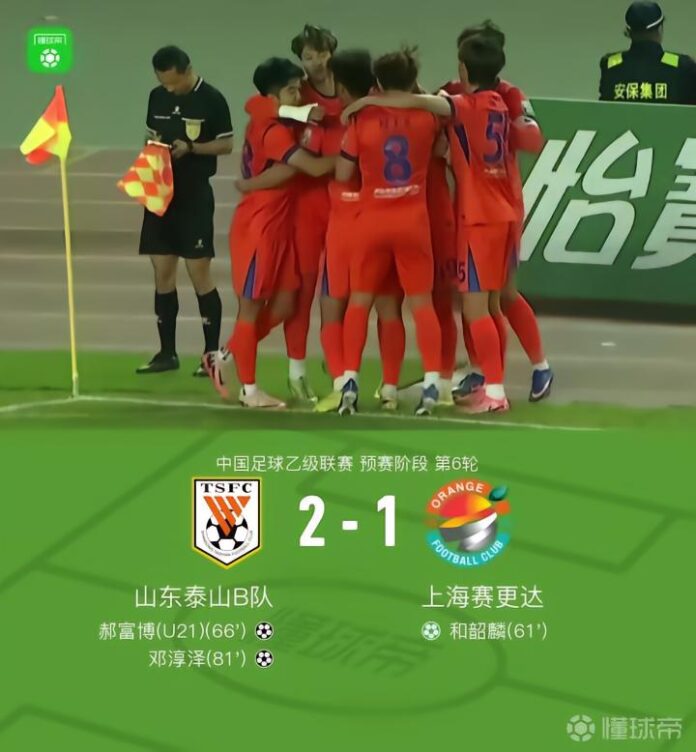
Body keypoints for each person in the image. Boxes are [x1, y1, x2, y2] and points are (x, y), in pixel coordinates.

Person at [345, 35, 541, 413]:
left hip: (477, 216)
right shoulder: (500, 103)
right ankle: (494, 381)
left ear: (464, 69)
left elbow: (416, 102)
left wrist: (368, 102)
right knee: (491, 304)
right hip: (504, 211)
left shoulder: (463, 105)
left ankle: (495, 392)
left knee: (476, 308)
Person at [205, 58, 335, 408]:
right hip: (258, 227)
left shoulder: (272, 115)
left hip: (280, 226)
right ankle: (249, 391)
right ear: (274, 96)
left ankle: (223, 356)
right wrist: (352, 153)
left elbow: (257, 105)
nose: (299, 96)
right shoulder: (274, 131)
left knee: (285, 303)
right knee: (250, 309)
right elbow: (311, 168)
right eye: (292, 91)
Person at [441, 21, 553, 403]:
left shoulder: (508, 95)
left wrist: (501, 125)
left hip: (501, 205)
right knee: (473, 293)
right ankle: (482, 372)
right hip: (467, 205)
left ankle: (537, 366)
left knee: (500, 295)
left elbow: (533, 139)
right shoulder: (453, 91)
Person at [335, 47, 443, 417]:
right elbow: (442, 141)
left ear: (377, 82)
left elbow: (342, 173)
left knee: (360, 302)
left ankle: (350, 382)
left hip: (372, 222)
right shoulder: (428, 117)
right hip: (413, 221)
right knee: (421, 304)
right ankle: (431, 384)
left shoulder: (361, 119)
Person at [137, 46, 233, 375]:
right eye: (163, 82)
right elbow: (149, 137)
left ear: (188, 70)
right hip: (160, 191)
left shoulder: (212, 99)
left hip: (193, 196)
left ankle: (210, 357)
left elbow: (226, 144)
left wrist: (192, 148)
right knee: (162, 272)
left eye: (173, 83)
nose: (168, 89)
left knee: (199, 273)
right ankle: (167, 353)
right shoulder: (156, 97)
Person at [280, 24, 343, 403]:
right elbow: (259, 107)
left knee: (339, 294)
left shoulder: (351, 87)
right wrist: (301, 111)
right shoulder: (298, 92)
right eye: (307, 56)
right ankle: (296, 371)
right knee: (302, 291)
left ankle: (340, 370)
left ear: (331, 52)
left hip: (345, 204)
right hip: (307, 206)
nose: (315, 62)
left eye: (320, 54)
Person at [599, 1, 696, 104]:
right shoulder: (683, 66)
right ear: (660, 29)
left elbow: (604, 109)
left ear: (628, 31)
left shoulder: (610, 64)